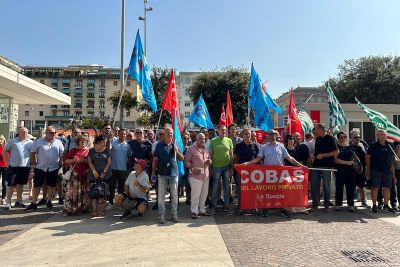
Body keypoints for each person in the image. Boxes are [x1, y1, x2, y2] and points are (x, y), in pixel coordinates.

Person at [244, 129, 305, 218]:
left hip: (280, 174)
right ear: (268, 135)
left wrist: (300, 166)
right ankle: (266, 209)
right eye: (270, 134)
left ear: (276, 135)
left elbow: (289, 158)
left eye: (274, 134)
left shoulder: (281, 146)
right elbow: (258, 158)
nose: (272, 135)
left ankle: (283, 209)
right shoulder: (264, 147)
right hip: (268, 174)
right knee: (267, 192)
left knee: (281, 192)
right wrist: (248, 163)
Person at [26, 126, 64, 212]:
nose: (54, 134)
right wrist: (33, 164)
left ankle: (49, 201)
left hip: (53, 168)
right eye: (51, 133)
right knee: (37, 186)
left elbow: (62, 154)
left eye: (55, 133)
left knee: (51, 185)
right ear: (46, 133)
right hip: (40, 167)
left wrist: (61, 164)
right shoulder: (39, 142)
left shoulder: (58, 142)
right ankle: (34, 203)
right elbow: (32, 153)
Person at [152, 127, 184, 224]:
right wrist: (153, 172)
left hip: (174, 174)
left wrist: (177, 151)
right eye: (168, 134)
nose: (170, 135)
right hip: (162, 174)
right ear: (164, 135)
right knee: (161, 195)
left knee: (174, 195)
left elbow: (182, 158)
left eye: (171, 134)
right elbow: (155, 160)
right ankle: (162, 215)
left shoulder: (175, 145)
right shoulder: (158, 145)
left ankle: (174, 214)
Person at [310, 123, 339, 212]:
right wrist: (313, 156)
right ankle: (315, 205)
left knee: (326, 186)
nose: (314, 130)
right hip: (316, 165)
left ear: (321, 129)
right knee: (313, 184)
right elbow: (318, 151)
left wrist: (324, 155)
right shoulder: (317, 139)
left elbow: (336, 152)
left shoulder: (331, 138)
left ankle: (326, 206)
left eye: (315, 129)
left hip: (326, 166)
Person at [3, 128, 34, 210]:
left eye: (26, 132)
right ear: (19, 133)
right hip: (14, 166)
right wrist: (7, 163)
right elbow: (5, 151)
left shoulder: (31, 142)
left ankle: (18, 201)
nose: (25, 133)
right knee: (11, 185)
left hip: (25, 167)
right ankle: (8, 202)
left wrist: (32, 167)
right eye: (23, 132)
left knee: (20, 185)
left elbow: (33, 155)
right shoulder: (13, 141)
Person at [366, 130, 396, 213]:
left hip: (387, 171)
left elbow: (393, 160)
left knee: (387, 188)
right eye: (381, 134)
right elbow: (367, 157)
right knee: (375, 187)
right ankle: (374, 205)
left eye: (384, 134)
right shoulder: (373, 145)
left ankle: (386, 204)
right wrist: (368, 169)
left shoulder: (390, 145)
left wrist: (393, 174)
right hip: (376, 170)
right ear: (377, 136)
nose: (383, 136)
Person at [184, 133, 211, 219]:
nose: (202, 140)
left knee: (204, 194)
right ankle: (194, 211)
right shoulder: (191, 149)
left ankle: (202, 210)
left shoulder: (206, 149)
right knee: (195, 194)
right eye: (200, 138)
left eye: (204, 139)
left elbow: (209, 159)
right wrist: (192, 169)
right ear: (196, 139)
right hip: (195, 176)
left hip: (205, 175)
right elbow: (186, 161)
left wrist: (209, 161)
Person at [62, 134, 90, 216]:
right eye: (81, 141)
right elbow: (65, 161)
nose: (83, 142)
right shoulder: (73, 150)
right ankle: (70, 209)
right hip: (74, 176)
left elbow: (91, 163)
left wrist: (84, 161)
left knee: (83, 192)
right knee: (72, 193)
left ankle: (81, 209)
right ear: (78, 142)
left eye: (85, 141)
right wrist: (74, 160)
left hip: (84, 175)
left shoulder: (89, 151)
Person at [209, 125, 233, 213]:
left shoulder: (229, 140)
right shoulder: (213, 141)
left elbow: (231, 155)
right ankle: (213, 206)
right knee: (215, 187)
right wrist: (210, 168)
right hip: (216, 167)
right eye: (222, 130)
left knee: (226, 187)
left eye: (225, 130)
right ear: (218, 131)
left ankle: (226, 205)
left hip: (226, 167)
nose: (224, 131)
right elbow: (210, 155)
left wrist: (231, 168)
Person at [233, 128, 259, 212]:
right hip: (241, 172)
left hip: (252, 172)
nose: (248, 135)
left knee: (253, 189)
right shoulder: (238, 146)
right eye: (246, 134)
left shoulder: (255, 146)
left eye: (249, 134)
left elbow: (258, 158)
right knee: (241, 190)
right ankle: (241, 206)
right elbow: (235, 158)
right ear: (242, 135)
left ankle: (253, 206)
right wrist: (237, 168)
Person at [87, 135, 112, 217]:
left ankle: (101, 210)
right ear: (98, 143)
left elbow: (108, 162)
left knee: (102, 192)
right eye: (103, 142)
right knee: (94, 192)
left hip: (105, 175)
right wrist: (94, 171)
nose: (105, 143)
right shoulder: (91, 150)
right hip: (93, 175)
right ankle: (94, 210)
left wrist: (104, 172)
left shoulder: (107, 150)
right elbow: (90, 162)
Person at [109, 129, 132, 209]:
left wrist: (128, 168)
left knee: (121, 188)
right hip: (113, 168)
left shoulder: (127, 145)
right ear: (118, 134)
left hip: (123, 169)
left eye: (124, 134)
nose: (123, 135)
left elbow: (129, 157)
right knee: (112, 186)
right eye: (121, 134)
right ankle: (111, 202)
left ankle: (119, 204)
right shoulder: (113, 143)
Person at [334, 132, 357, 212]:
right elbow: (335, 159)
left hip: (351, 170)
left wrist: (354, 162)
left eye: (344, 137)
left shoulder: (350, 146)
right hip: (340, 169)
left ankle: (351, 205)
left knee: (350, 188)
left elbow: (353, 156)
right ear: (338, 138)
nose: (343, 138)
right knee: (339, 187)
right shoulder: (336, 146)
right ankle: (338, 204)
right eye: (341, 137)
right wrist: (347, 162)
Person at [350, 130, 368, 207]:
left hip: (361, 169)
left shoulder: (362, 146)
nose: (357, 138)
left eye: (358, 137)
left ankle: (363, 201)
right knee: (351, 186)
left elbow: (366, 157)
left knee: (361, 186)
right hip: (352, 169)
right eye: (355, 137)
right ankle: (351, 203)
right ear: (351, 138)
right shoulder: (349, 147)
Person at [0, 135, 8, 206]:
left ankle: (3, 198)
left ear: (4, 140)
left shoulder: (7, 147)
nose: (0, 140)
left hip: (5, 167)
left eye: (1, 139)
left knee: (4, 183)